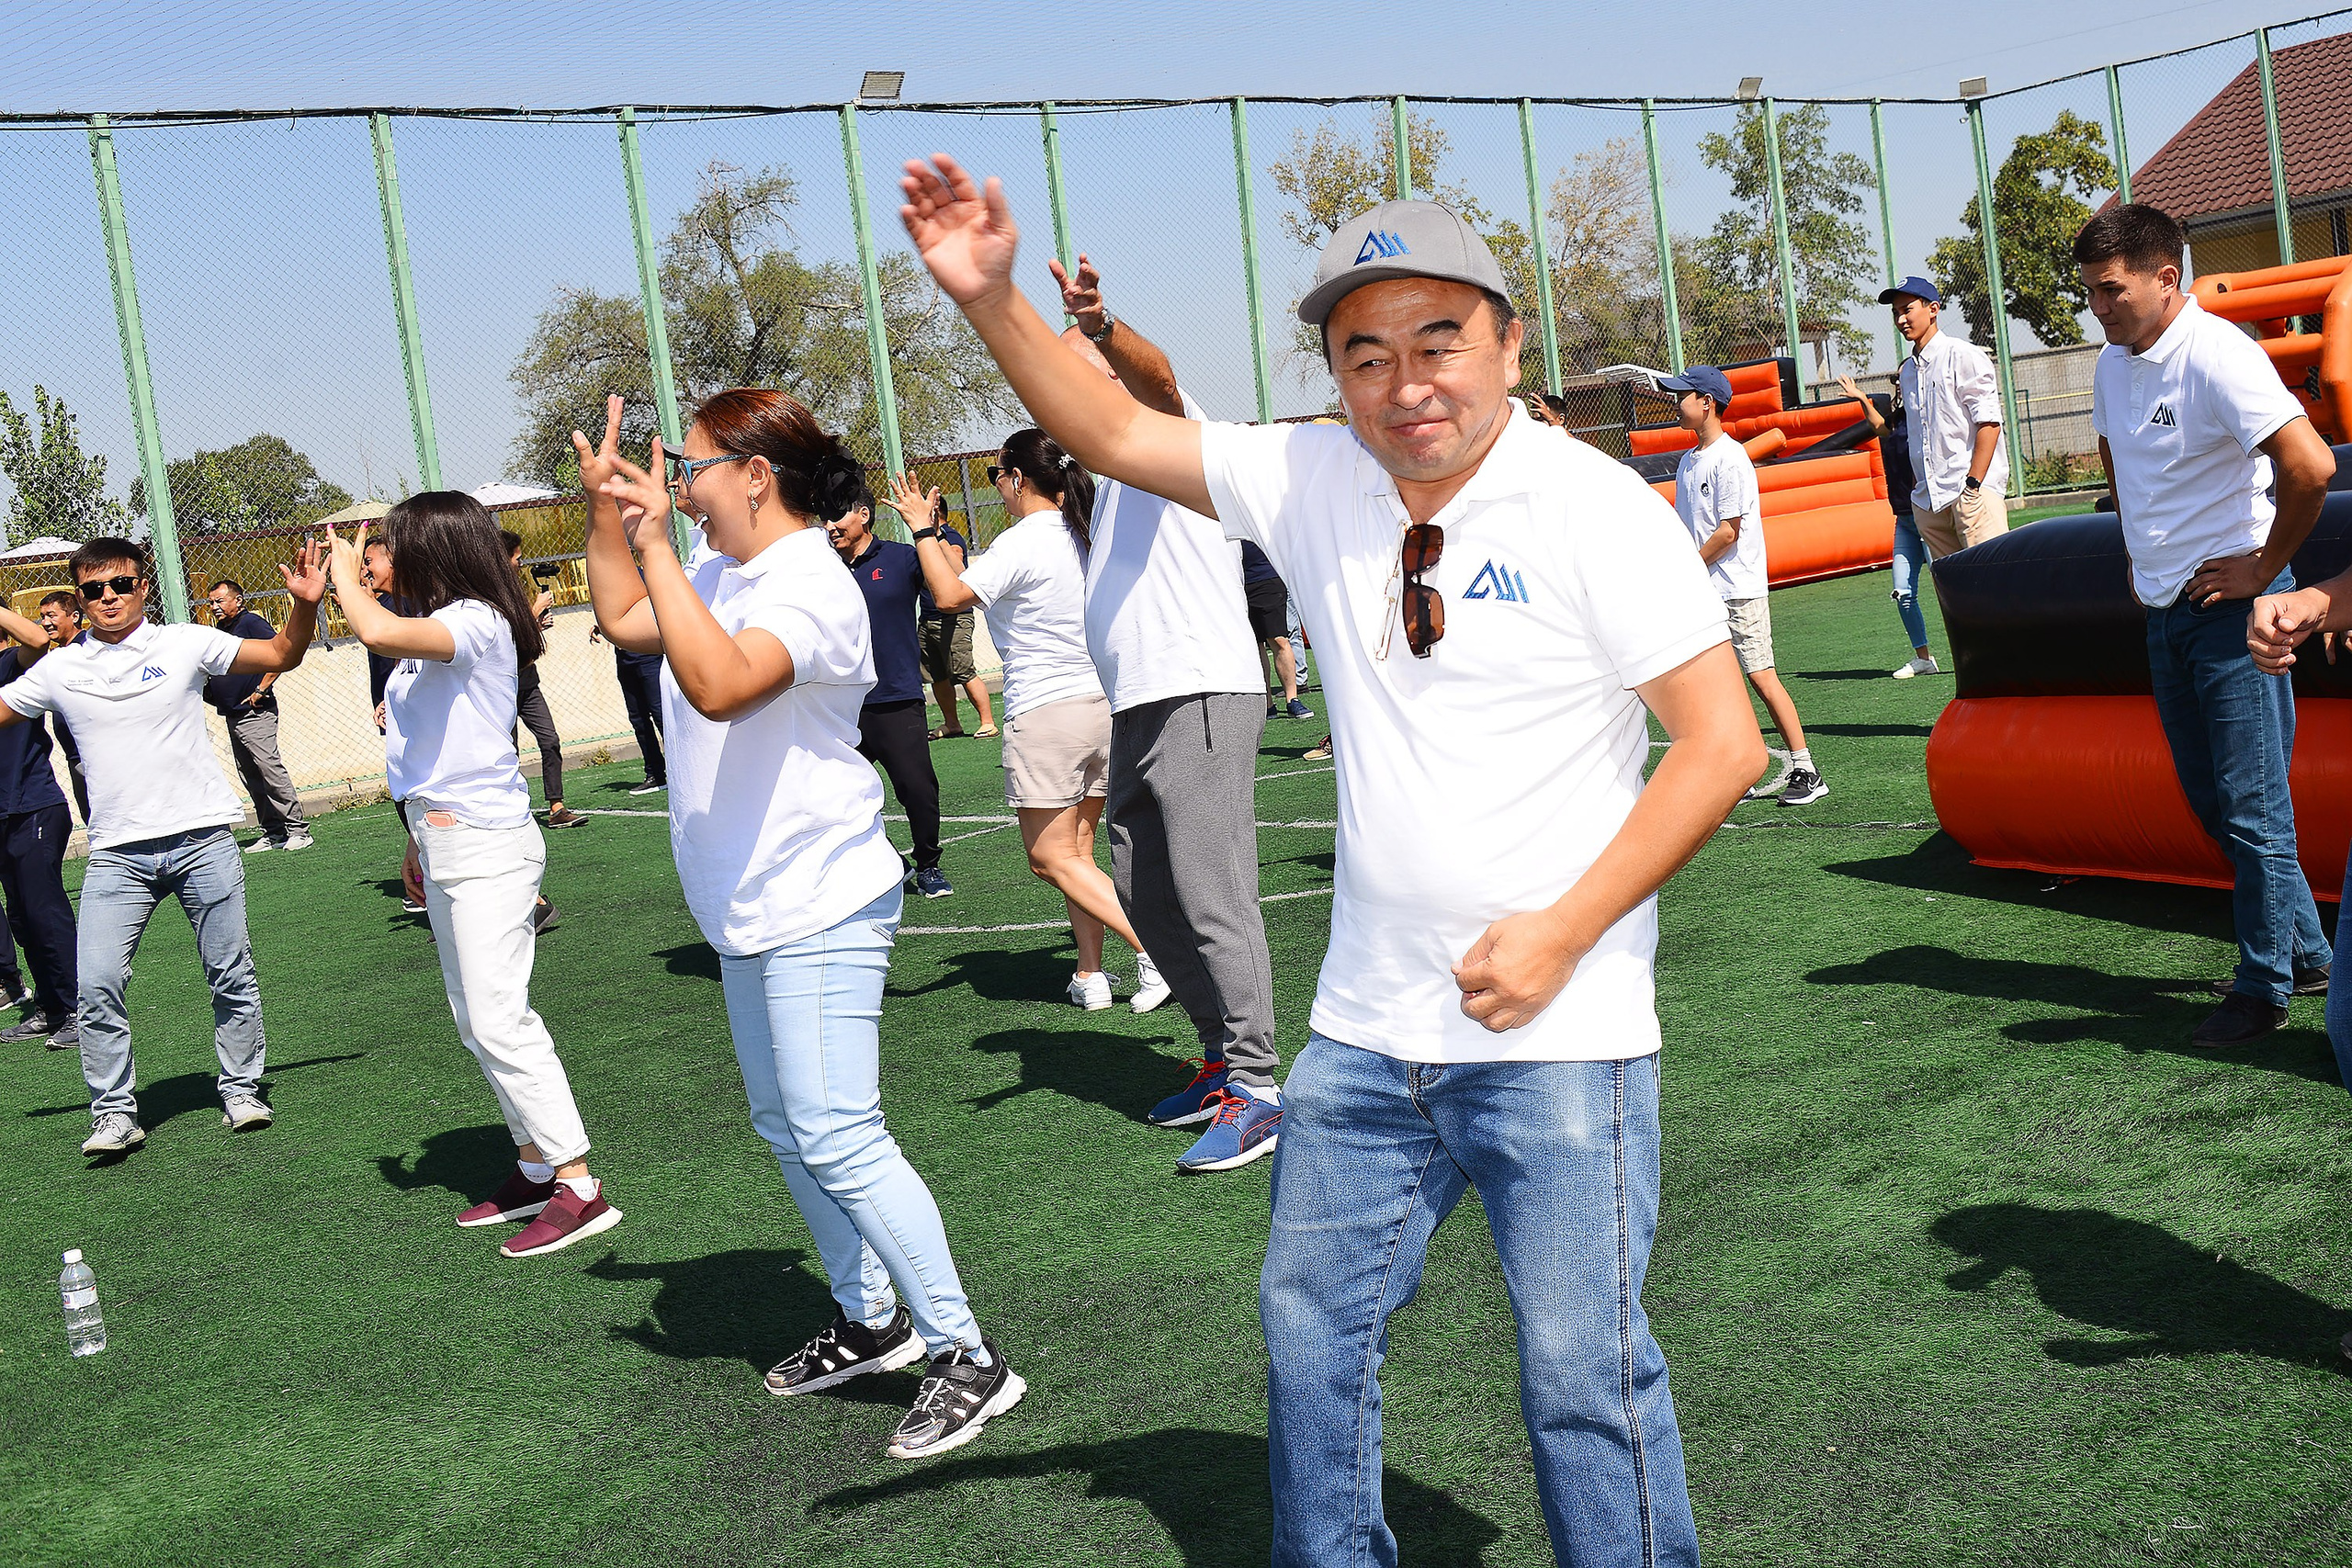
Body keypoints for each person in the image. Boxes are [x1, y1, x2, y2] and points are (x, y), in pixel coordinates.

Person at [901, 159, 1760, 1565]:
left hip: (1566, 1033)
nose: (1406, 382)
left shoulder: (1596, 507)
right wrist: (993, 296)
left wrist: (1560, 930)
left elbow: (1717, 743)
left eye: (1438, 342)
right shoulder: (1312, 474)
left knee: (1582, 1381)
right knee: (1310, 1340)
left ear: (1508, 343)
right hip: (1363, 1037)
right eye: (1367, 353)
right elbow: (1111, 426)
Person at [578, 387, 1024, 1461]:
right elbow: (625, 620)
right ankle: (869, 1319)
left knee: (837, 1130)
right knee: (790, 1131)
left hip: (817, 895)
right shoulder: (729, 571)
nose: (677, 484)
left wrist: (660, 550)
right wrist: (607, 519)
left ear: (753, 475)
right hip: (747, 905)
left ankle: (966, 1354)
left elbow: (721, 683)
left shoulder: (811, 584)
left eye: (690, 467)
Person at [327, 498, 620, 1258]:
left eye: (388, 547)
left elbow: (376, 628)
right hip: (446, 838)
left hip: (490, 848)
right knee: (473, 1019)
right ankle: (532, 1164)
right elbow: (428, 749)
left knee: (500, 1019)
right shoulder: (439, 627)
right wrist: (417, 838)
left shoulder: (477, 618)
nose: (372, 559)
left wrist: (341, 578)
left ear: (436, 548)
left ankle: (579, 1184)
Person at [2075, 204, 2338, 1047]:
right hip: (2164, 611)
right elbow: (2118, 454)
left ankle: (2261, 991)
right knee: (2211, 799)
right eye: (2090, 294)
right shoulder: (2114, 367)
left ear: (2165, 277)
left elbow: (2311, 465)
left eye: (2112, 290)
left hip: (2236, 614)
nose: (2101, 309)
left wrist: (2263, 568)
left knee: (2255, 807)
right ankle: (2304, 949)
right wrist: (2136, 545)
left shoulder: (2221, 355)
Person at [1043, 251, 1283, 1171]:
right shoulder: (1106, 483)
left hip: (1200, 692)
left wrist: (1102, 328)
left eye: (1079, 369)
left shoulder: (1172, 438)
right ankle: (1222, 1058)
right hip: (1140, 705)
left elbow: (1163, 378)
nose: (1063, 386)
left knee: (1211, 892)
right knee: (1145, 888)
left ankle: (1261, 1089)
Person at [0, 536, 328, 1157]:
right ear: (81, 597)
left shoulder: (185, 643)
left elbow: (284, 650)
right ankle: (115, 1113)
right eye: (93, 589)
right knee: (95, 982)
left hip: (202, 837)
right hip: (117, 855)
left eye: (120, 584)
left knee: (230, 971)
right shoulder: (60, 668)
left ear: (143, 587)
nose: (108, 598)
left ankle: (240, 1088)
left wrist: (306, 604)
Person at [908, 428, 1171, 1013]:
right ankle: (1090, 973)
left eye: (997, 474)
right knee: (1078, 851)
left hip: (1048, 713)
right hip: (1100, 707)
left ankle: (1158, 952)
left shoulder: (1024, 540)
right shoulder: (1086, 533)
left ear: (1018, 479)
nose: (996, 486)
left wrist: (923, 528)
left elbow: (949, 594)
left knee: (1050, 858)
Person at [1664, 365, 1826, 806]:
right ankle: (1738, 766)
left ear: (1706, 403)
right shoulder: (1688, 460)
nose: (1674, 403)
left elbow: (1727, 532)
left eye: (1682, 395)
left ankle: (1806, 768)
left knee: (1761, 676)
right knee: (1718, 683)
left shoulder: (1729, 458)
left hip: (1736, 588)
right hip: (1704, 588)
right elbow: (1688, 526)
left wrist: (1689, 568)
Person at [830, 473, 952, 898]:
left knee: (917, 788)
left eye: (838, 515)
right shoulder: (820, 569)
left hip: (896, 698)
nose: (830, 526)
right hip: (839, 705)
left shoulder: (902, 558)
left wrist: (931, 533)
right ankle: (888, 861)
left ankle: (929, 864)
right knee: (835, 797)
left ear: (864, 515)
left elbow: (952, 585)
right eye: (824, 518)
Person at [1883, 274, 2008, 560]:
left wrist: (1973, 487)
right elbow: (1918, 435)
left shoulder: (1964, 355)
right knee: (1954, 597)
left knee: (1997, 588)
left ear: (1933, 309)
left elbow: (1989, 424)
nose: (1901, 320)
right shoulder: (1908, 372)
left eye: (1907, 310)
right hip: (1929, 503)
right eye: (1895, 313)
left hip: (1970, 495)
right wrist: (1920, 493)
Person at [0, 602, 76, 1047]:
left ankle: (79, 1009)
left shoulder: (11, 665)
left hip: (34, 808)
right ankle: (49, 1006)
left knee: (45, 913)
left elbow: (36, 639)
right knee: (22, 918)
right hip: (3, 818)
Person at [1838, 372, 1938, 678]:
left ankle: (1973, 655)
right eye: (1898, 384)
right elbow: (1879, 427)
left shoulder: (1930, 419)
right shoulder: (1898, 421)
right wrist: (1860, 398)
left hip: (1930, 518)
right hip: (1905, 521)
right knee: (1903, 592)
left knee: (1950, 590)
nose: (1901, 388)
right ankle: (1923, 659)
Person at [203, 579, 314, 853]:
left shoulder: (251, 623)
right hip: (233, 714)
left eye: (220, 601)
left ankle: (298, 830)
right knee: (250, 775)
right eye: (212, 602)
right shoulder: (222, 630)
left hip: (255, 713)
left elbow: (281, 652)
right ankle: (273, 832)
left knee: (269, 769)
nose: (214, 606)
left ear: (238, 601)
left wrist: (260, 690)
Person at [499, 531, 584, 831]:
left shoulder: (516, 588)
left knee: (550, 740)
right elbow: (505, 638)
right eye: (517, 558)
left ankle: (557, 806)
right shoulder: (492, 593)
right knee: (507, 751)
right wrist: (534, 612)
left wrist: (537, 625)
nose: (521, 564)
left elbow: (523, 638)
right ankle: (510, 812)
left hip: (527, 682)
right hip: (501, 687)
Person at [363, 536, 427, 917]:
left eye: (370, 561)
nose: (365, 570)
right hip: (398, 716)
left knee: (424, 796)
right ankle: (424, 873)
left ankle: (529, 898)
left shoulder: (416, 605)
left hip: (419, 720)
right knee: (406, 795)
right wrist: (382, 700)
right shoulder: (384, 605)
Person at [916, 497, 996, 739]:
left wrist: (937, 536)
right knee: (936, 676)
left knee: (964, 672)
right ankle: (952, 723)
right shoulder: (922, 540)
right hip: (928, 619)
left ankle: (988, 722)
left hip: (954, 619)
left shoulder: (950, 537)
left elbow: (959, 567)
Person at [35, 592, 89, 822]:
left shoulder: (87, 648)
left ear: (74, 616)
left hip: (93, 753)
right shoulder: (58, 654)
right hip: (74, 756)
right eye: (42, 617)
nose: (46, 622)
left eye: (51, 615)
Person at [1243, 541, 1314, 720]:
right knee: (1254, 645)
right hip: (1236, 580)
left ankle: (1293, 700)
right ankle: (1267, 705)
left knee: (1279, 639)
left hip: (1267, 577)